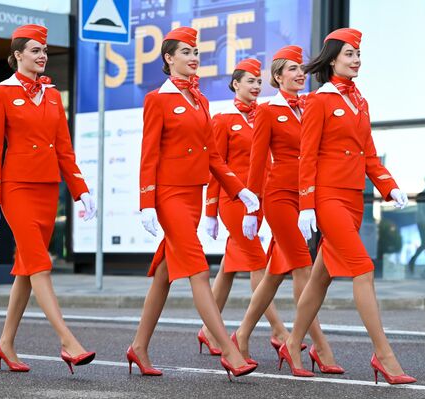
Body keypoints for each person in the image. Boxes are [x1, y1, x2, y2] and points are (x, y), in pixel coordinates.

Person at [285, 28, 416, 385]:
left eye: (358, 54)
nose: (356, 60)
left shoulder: (360, 100)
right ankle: (384, 355)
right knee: (363, 268)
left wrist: (389, 186)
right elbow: (306, 156)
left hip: (353, 198)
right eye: (349, 54)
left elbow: (368, 154)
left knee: (321, 276)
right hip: (327, 198)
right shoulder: (319, 100)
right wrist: (307, 204)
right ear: (332, 60)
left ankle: (293, 343)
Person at [130, 27, 259, 381]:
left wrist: (239, 190)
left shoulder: (200, 100)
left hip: (193, 195)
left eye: (196, 51)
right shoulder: (158, 99)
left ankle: (138, 347)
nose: (194, 57)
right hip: (168, 195)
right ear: (169, 58)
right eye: (185, 52)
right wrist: (146, 202)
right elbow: (148, 154)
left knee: (164, 274)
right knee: (199, 270)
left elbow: (214, 156)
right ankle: (230, 352)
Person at [0, 24, 97, 374]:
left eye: (44, 50)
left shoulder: (51, 94)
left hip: (49, 189)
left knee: (27, 268)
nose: (42, 55)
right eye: (34, 50)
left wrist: (80, 189)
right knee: (40, 263)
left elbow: (64, 147)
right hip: (16, 189)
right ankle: (68, 342)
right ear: (18, 55)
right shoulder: (0, 92)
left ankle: (5, 343)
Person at [235, 45, 341, 376]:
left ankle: (240, 337)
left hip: (308, 197)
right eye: (292, 69)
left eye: (301, 69)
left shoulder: (312, 104)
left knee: (273, 274)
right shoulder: (267, 111)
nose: (299, 74)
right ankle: (316, 346)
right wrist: (252, 208)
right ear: (278, 77)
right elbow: (256, 163)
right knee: (303, 267)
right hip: (279, 197)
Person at [199, 59, 293, 357]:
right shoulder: (223, 119)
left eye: (258, 82)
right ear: (235, 84)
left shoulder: (264, 115)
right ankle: (279, 331)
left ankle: (207, 331)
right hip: (234, 201)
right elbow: (216, 166)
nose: (255, 86)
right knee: (257, 263)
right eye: (249, 81)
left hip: (262, 199)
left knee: (229, 267)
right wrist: (211, 210)